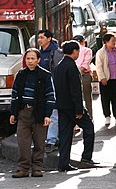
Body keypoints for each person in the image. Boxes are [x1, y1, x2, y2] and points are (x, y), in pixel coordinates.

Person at [9, 49, 54, 178]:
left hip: (39, 113)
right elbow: (15, 94)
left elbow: (50, 96)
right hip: (23, 112)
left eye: (33, 58)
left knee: (40, 142)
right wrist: (13, 113)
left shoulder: (45, 75)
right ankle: (23, 168)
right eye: (28, 58)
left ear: (38, 60)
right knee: (23, 142)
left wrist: (47, 115)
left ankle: (37, 168)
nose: (30, 61)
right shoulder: (21, 74)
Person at [55, 41, 97, 171]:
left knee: (65, 134)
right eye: (78, 51)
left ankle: (63, 163)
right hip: (73, 106)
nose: (78, 53)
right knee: (89, 127)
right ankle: (86, 157)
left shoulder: (59, 66)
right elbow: (75, 90)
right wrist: (79, 109)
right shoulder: (71, 67)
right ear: (73, 51)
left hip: (62, 106)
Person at [37, 30, 63, 153]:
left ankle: (52, 140)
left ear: (49, 38)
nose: (39, 40)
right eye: (38, 38)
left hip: (53, 87)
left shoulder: (55, 52)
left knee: (54, 114)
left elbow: (58, 71)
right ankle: (52, 139)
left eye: (42, 37)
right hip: (42, 88)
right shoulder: (40, 52)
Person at [95, 34, 116, 125]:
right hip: (106, 79)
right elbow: (98, 67)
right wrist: (102, 77)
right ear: (106, 42)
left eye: (115, 40)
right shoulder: (101, 52)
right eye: (112, 41)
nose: (114, 42)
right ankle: (107, 116)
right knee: (105, 99)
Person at [73, 35, 93, 118]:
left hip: (73, 75)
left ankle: (76, 118)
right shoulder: (87, 50)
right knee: (87, 97)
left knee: (75, 97)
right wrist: (81, 70)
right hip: (85, 74)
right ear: (83, 41)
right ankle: (89, 116)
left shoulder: (71, 51)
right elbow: (86, 63)